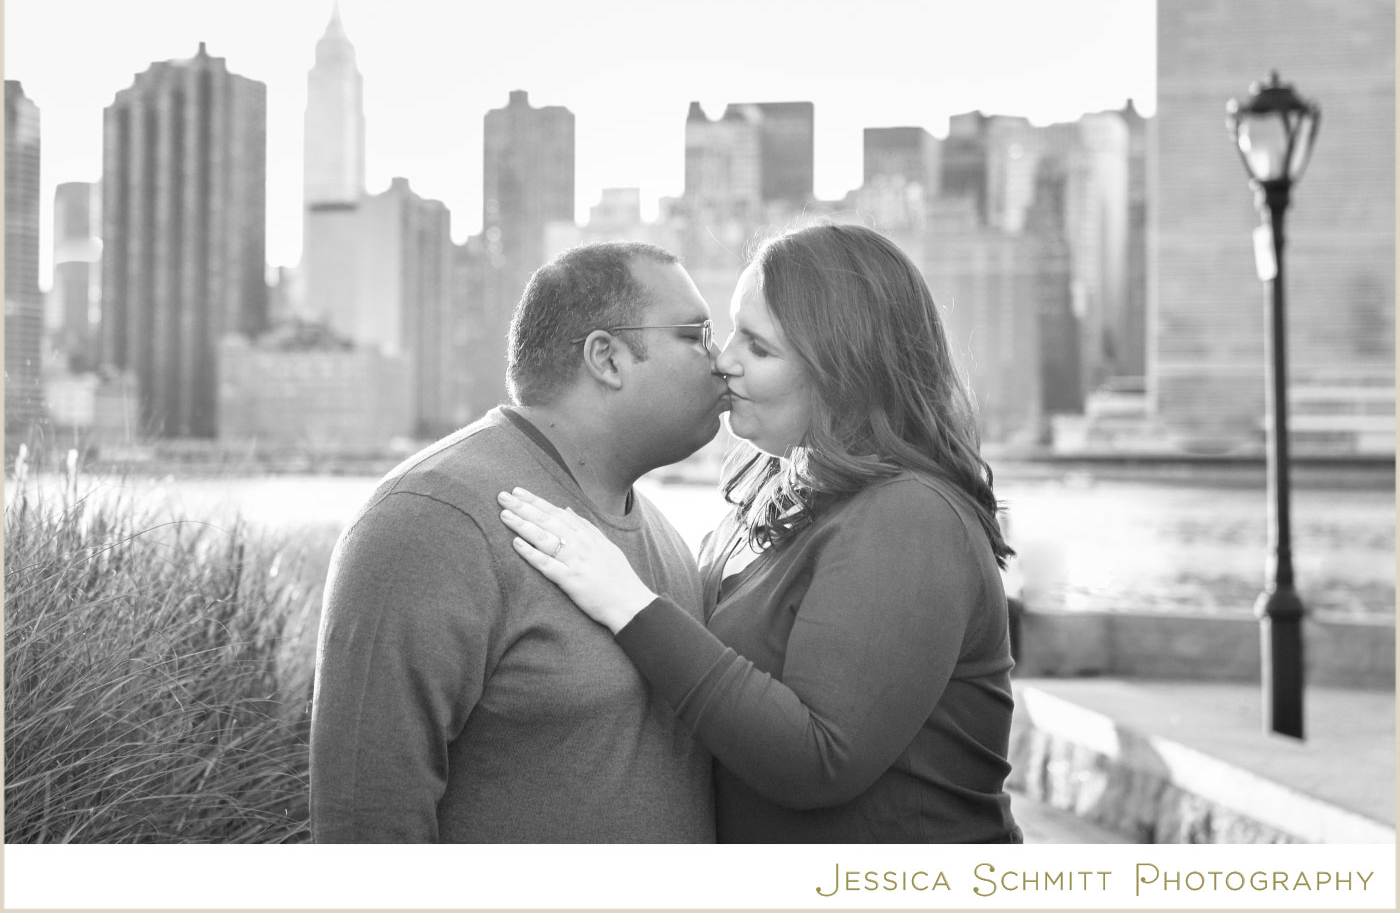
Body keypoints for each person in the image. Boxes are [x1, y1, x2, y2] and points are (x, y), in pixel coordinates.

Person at [499, 221, 1023, 844]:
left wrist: (629, 603)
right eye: (728, 332)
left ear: (844, 370)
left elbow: (818, 761)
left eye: (760, 347)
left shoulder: (910, 517)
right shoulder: (762, 502)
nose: (723, 361)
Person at [309, 241, 728, 842]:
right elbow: (365, 822)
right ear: (606, 358)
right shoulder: (431, 521)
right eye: (696, 335)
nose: (721, 362)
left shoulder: (665, 537)